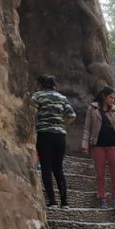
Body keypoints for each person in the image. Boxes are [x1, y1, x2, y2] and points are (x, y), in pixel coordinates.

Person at [82, 85, 115, 210]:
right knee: (100, 174)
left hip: (113, 146)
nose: (112, 100)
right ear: (104, 96)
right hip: (98, 145)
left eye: (114, 98)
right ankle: (102, 198)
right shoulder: (92, 108)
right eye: (110, 97)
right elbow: (87, 128)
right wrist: (85, 144)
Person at [30, 74, 75, 208]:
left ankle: (52, 201)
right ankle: (64, 201)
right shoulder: (62, 98)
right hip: (60, 136)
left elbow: (31, 112)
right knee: (58, 168)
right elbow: (72, 115)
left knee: (46, 167)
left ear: (41, 85)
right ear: (54, 85)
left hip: (44, 134)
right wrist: (62, 125)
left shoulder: (37, 96)